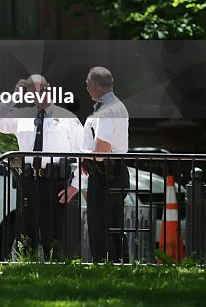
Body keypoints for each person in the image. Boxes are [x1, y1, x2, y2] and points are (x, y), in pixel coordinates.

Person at [0, 74, 83, 259]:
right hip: (29, 182)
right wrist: (14, 95)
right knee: (27, 234)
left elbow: (83, 154)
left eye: (43, 89)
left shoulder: (67, 118)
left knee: (55, 235)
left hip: (56, 183)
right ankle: (26, 268)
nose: (39, 94)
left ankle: (57, 269)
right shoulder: (22, 115)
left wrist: (76, 185)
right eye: (33, 91)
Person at [82, 66, 129, 263]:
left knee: (100, 225)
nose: (86, 88)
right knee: (114, 225)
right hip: (115, 170)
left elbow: (102, 148)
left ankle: (103, 266)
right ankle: (119, 265)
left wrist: (83, 158)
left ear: (93, 85)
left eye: (87, 84)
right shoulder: (117, 105)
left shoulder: (105, 110)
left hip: (105, 174)